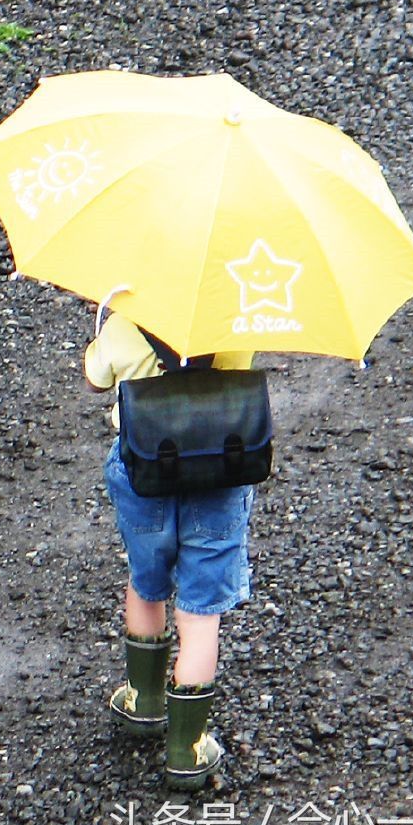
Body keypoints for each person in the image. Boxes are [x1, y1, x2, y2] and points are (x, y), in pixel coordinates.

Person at [85, 311, 257, 790]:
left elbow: (96, 379)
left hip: (145, 473)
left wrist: (104, 324)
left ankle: (143, 700)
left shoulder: (123, 322)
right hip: (218, 477)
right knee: (201, 612)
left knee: (146, 581)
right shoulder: (236, 320)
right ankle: (188, 747)